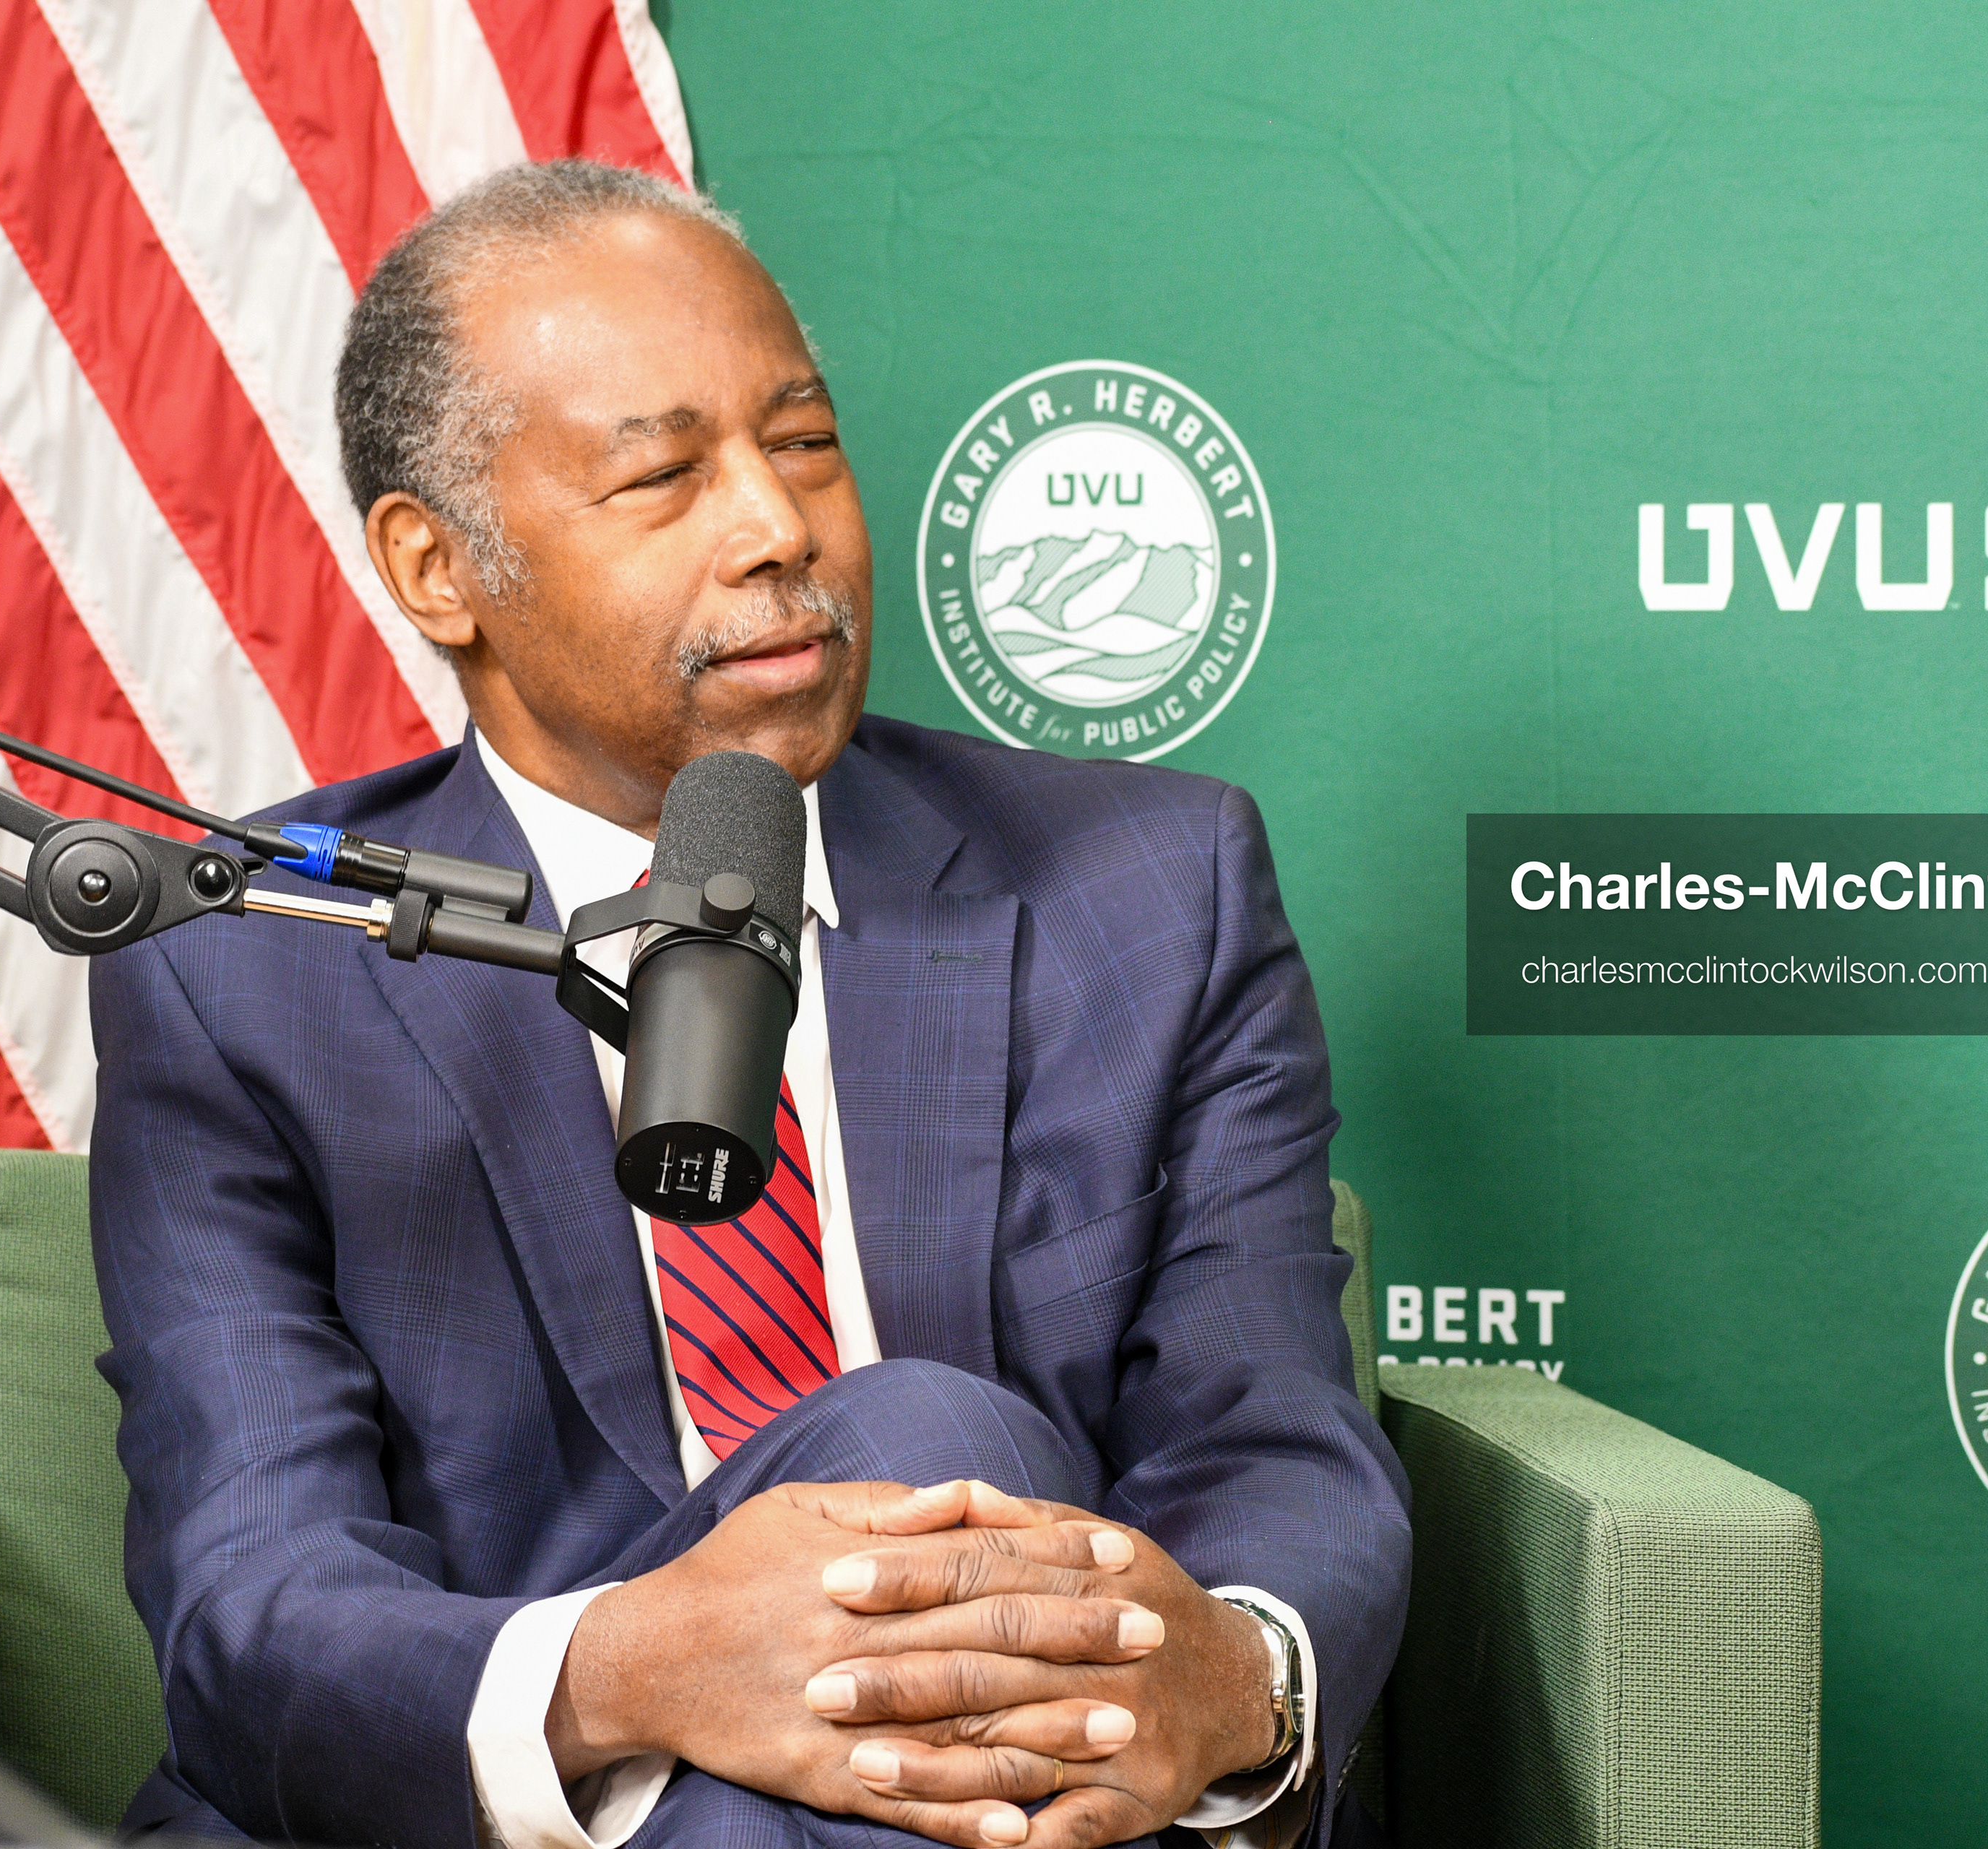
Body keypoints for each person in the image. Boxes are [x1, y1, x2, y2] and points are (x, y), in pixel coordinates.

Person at [88, 159, 1409, 1849]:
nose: (781, 528)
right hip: (537, 1814)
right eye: (663, 473)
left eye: (804, 443)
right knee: (925, 1444)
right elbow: (256, 1600)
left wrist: (1235, 1679)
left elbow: (1273, 1438)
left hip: (1075, 1803)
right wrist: (651, 1667)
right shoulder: (249, 956)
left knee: (919, 1447)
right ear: (438, 570)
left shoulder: (1152, 888)